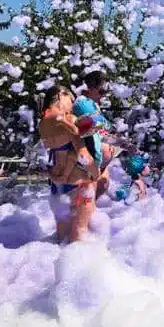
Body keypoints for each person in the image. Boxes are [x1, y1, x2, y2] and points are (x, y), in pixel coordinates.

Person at [39, 84, 100, 243]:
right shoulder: (67, 119)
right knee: (79, 233)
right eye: (70, 100)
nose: (72, 105)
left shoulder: (43, 124)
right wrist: (95, 173)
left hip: (57, 186)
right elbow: (82, 154)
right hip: (78, 186)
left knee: (61, 237)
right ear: (60, 98)